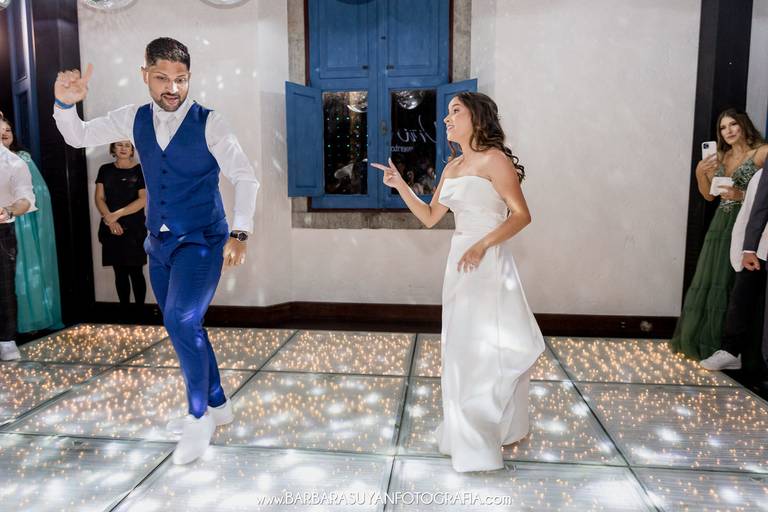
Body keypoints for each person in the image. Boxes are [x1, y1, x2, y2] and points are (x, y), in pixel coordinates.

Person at [53, 37, 259, 464]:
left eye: (181, 79)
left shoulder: (210, 122)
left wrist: (240, 233)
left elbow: (245, 177)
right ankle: (218, 402)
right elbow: (78, 137)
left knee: (180, 320)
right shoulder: (133, 118)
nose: (172, 88)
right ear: (144, 74)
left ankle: (198, 417)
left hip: (201, 240)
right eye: (162, 78)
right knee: (184, 325)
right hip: (159, 244)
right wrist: (65, 105)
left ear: (189, 78)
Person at [372, 92, 544, 472]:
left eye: (455, 111)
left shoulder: (495, 160)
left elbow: (521, 215)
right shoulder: (451, 167)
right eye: (446, 113)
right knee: (460, 347)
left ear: (476, 117)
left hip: (488, 261)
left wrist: (481, 246)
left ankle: (482, 435)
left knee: (485, 348)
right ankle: (466, 428)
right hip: (459, 264)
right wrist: (400, 185)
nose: (446, 119)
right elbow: (430, 217)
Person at [671, 109, 766, 360]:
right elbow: (709, 195)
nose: (728, 131)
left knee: (734, 283)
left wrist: (741, 195)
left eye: (733, 124)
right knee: (712, 280)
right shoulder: (722, 157)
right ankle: (711, 346)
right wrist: (700, 172)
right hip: (720, 223)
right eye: (723, 128)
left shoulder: (762, 152)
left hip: (745, 222)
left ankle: (733, 349)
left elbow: (763, 194)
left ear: (744, 124)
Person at [702, 164, 768, 372]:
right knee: (742, 296)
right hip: (758, 245)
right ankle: (731, 351)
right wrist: (748, 247)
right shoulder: (761, 175)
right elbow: (754, 210)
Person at [0, 117, 64, 334]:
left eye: (8, 130)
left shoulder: (22, 159)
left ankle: (26, 322)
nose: (5, 133)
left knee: (20, 272)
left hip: (20, 224)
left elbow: (39, 193)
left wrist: (15, 209)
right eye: (1, 129)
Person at [94, 140, 148, 309]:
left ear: (132, 150)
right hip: (111, 227)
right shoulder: (105, 169)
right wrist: (110, 220)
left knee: (136, 272)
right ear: (113, 148)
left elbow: (143, 200)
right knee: (119, 272)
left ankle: (140, 314)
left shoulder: (140, 170)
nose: (123, 148)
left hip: (134, 229)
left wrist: (115, 215)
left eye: (127, 145)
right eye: (119, 145)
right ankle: (125, 314)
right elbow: (99, 198)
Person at [0, 142, 36, 361]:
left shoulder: (13, 162)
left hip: (1, 229)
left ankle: (6, 340)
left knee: (4, 288)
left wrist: (8, 210)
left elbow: (26, 199)